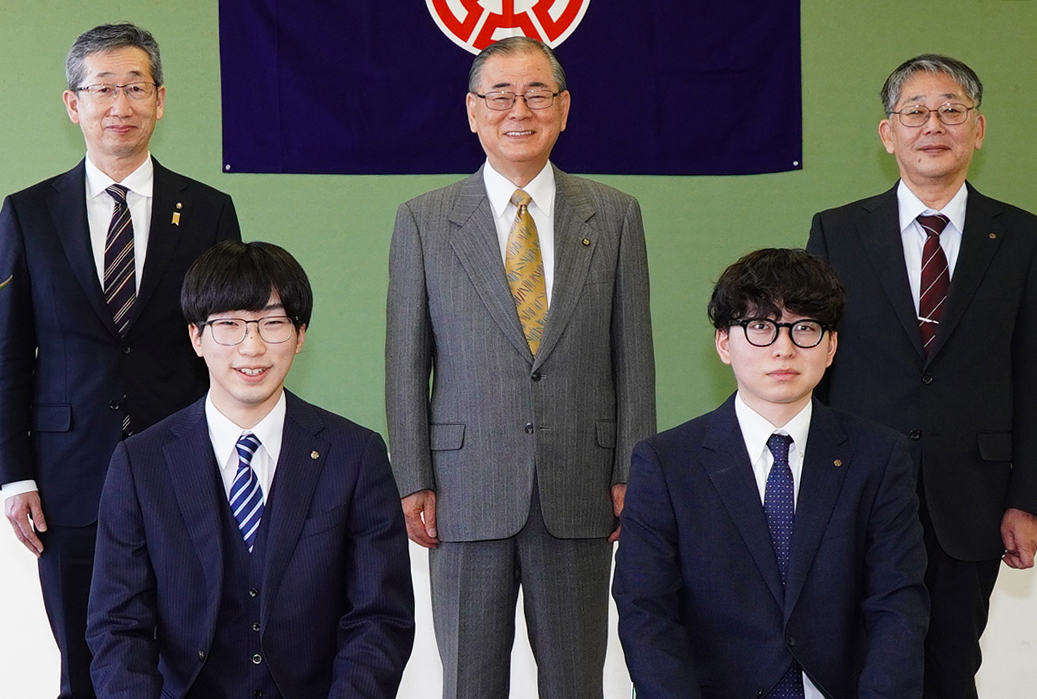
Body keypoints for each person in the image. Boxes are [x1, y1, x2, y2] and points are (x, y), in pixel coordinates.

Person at [385, 36, 655, 699]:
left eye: (536, 94)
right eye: (500, 95)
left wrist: (632, 470)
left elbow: (634, 355)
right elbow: (405, 361)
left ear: (563, 108)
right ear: (472, 111)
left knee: (576, 682)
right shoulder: (424, 220)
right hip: (463, 489)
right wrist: (413, 474)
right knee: (469, 682)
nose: (519, 110)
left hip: (581, 486)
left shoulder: (614, 214)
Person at [0, 23, 240, 698]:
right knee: (84, 667)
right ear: (73, 104)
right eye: (103, 88)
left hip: (185, 469)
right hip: (67, 479)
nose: (120, 105)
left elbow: (228, 344)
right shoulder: (27, 213)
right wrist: (14, 476)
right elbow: (8, 353)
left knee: (188, 662)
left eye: (135, 87)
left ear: (160, 100)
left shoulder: (208, 211)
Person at [86, 240, 415, 698]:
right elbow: (118, 627)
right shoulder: (140, 464)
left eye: (273, 324)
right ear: (196, 337)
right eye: (229, 325)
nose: (252, 346)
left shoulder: (355, 456)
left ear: (300, 335)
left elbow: (380, 619)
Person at [807, 54, 1037, 699]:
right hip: (856, 491)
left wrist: (1026, 498)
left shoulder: (1022, 237)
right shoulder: (838, 231)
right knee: (856, 665)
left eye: (950, 110)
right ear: (888, 134)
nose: (933, 125)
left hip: (972, 499)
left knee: (949, 669)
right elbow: (813, 367)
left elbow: (1031, 372)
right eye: (915, 112)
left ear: (978, 129)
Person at [614, 248, 929, 699]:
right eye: (761, 326)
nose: (784, 348)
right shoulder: (666, 463)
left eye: (805, 328)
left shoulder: (879, 457)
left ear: (831, 346)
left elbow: (897, 603)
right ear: (724, 343)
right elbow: (646, 610)